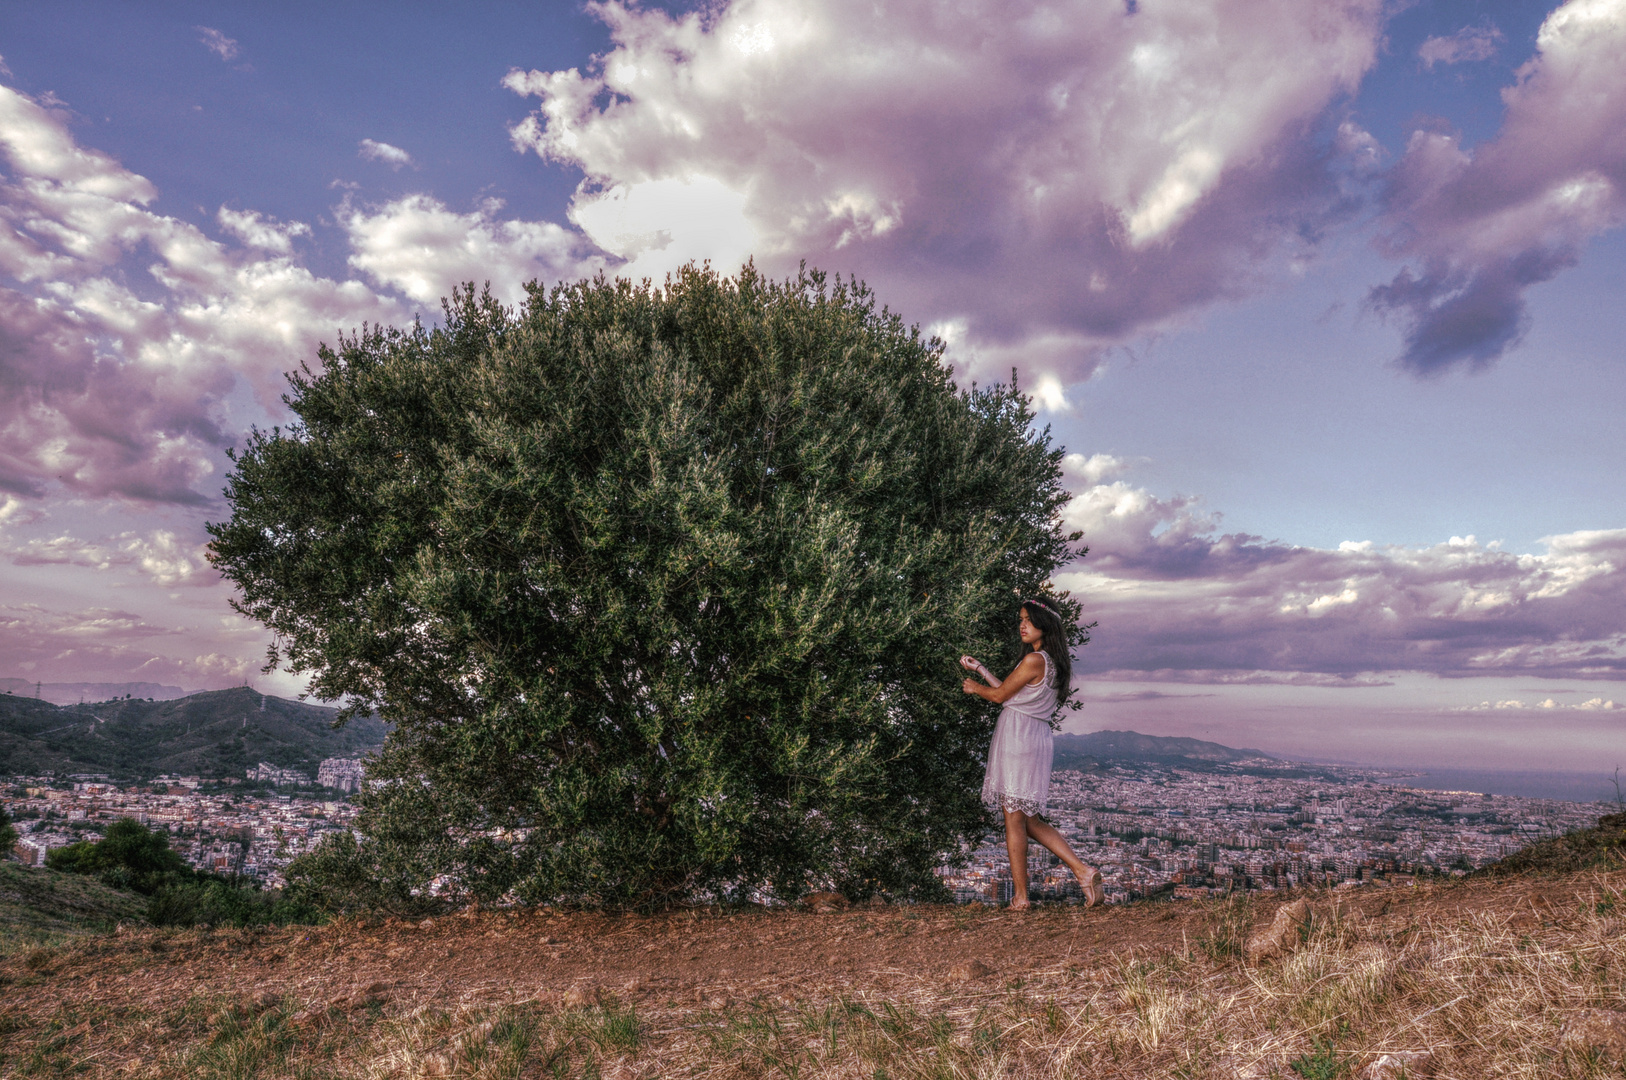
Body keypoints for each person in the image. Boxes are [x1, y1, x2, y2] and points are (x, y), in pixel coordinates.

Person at [962, 600, 1103, 909]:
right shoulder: (1050, 661)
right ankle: (1083, 871)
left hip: (1018, 737)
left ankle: (1021, 898)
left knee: (1013, 820)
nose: (1022, 625)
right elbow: (1010, 693)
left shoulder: (1034, 660)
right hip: (1034, 735)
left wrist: (974, 687)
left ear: (1044, 625)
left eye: (1028, 620)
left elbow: (999, 697)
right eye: (1021, 620)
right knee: (1029, 821)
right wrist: (982, 669)